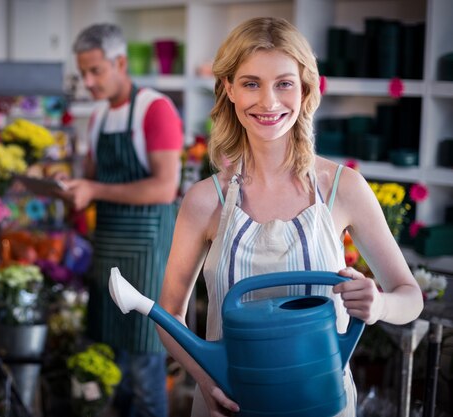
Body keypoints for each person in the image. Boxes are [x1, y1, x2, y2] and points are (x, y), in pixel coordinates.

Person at [156, 17, 424, 417]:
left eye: (283, 83)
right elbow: (169, 315)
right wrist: (209, 382)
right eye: (251, 83)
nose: (268, 102)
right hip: (230, 404)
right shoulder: (203, 201)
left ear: (305, 88)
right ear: (228, 88)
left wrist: (380, 305)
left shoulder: (342, 188)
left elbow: (411, 297)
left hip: (323, 404)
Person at [66, 23, 184, 417]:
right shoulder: (97, 116)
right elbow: (93, 176)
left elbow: (165, 188)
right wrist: (69, 184)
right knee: (110, 355)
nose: (87, 81)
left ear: (120, 62)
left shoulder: (156, 109)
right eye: (83, 72)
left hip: (148, 252)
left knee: (145, 362)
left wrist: (94, 191)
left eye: (96, 71)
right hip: (109, 247)